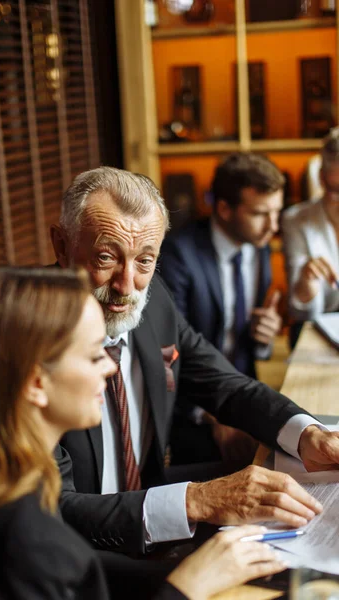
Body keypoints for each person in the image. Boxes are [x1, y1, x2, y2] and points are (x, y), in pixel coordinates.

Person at [0, 265, 287, 600]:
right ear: (36, 383)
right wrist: (184, 587)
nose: (111, 366)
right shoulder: (18, 531)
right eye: (94, 356)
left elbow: (77, 574)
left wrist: (194, 568)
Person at [51, 166, 339, 558]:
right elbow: (53, 510)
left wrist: (308, 435)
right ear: (61, 245)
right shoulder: (25, 339)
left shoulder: (154, 303)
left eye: (145, 261)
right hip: (81, 554)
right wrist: (195, 501)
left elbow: (224, 384)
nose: (126, 285)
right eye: (105, 257)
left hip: (151, 512)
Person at [159, 152, 283, 465]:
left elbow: (248, 345)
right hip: (192, 410)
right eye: (260, 213)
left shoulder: (259, 245)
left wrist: (264, 339)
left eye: (277, 212)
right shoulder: (179, 254)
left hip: (242, 395)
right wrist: (215, 416)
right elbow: (170, 349)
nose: (273, 225)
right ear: (224, 208)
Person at [282, 128, 339, 333]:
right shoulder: (295, 220)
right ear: (321, 179)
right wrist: (307, 282)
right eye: (337, 190)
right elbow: (301, 314)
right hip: (320, 324)